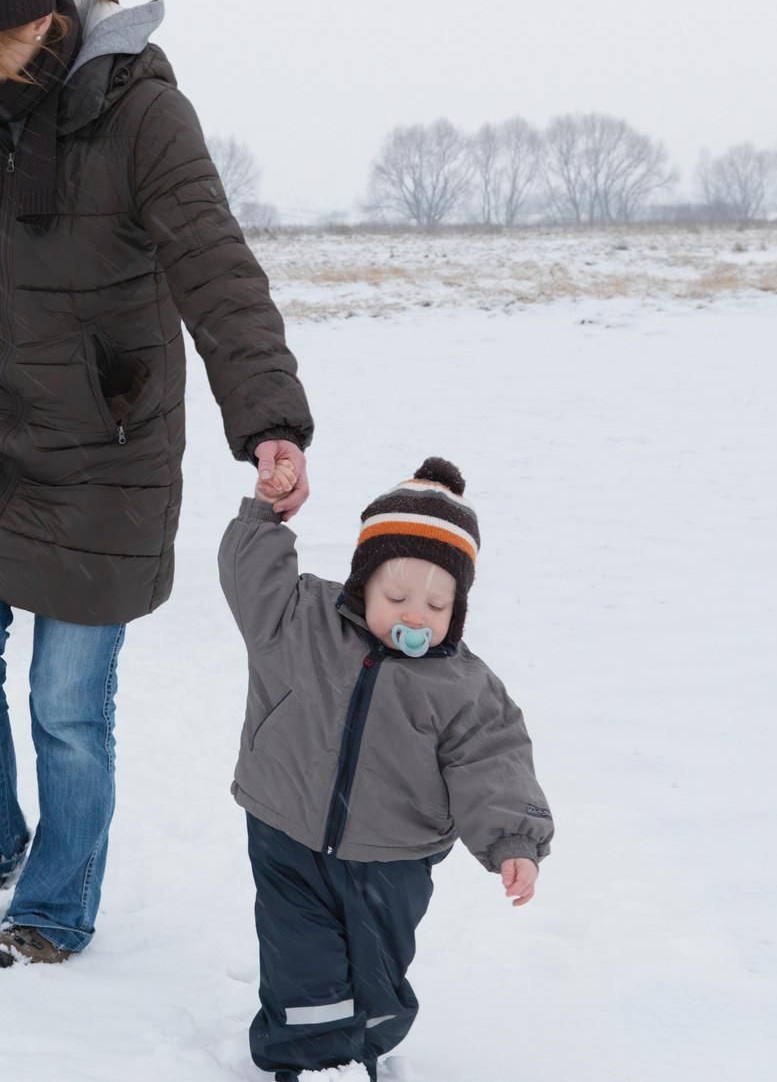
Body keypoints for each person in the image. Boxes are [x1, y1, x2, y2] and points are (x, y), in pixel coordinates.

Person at [0, 0, 315, 966]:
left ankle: (56, 902)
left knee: (66, 703)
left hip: (108, 446)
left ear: (37, 25)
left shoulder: (141, 114)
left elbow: (216, 269)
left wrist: (269, 421)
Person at [219, 456, 553, 1080]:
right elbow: (251, 582)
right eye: (396, 597)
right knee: (300, 961)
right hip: (286, 832)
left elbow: (492, 760)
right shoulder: (303, 621)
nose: (415, 616)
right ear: (363, 583)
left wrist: (514, 840)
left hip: (392, 857)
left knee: (378, 973)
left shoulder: (463, 686)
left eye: (436, 604)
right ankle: (315, 1063)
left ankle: (364, 1044)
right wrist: (265, 515)